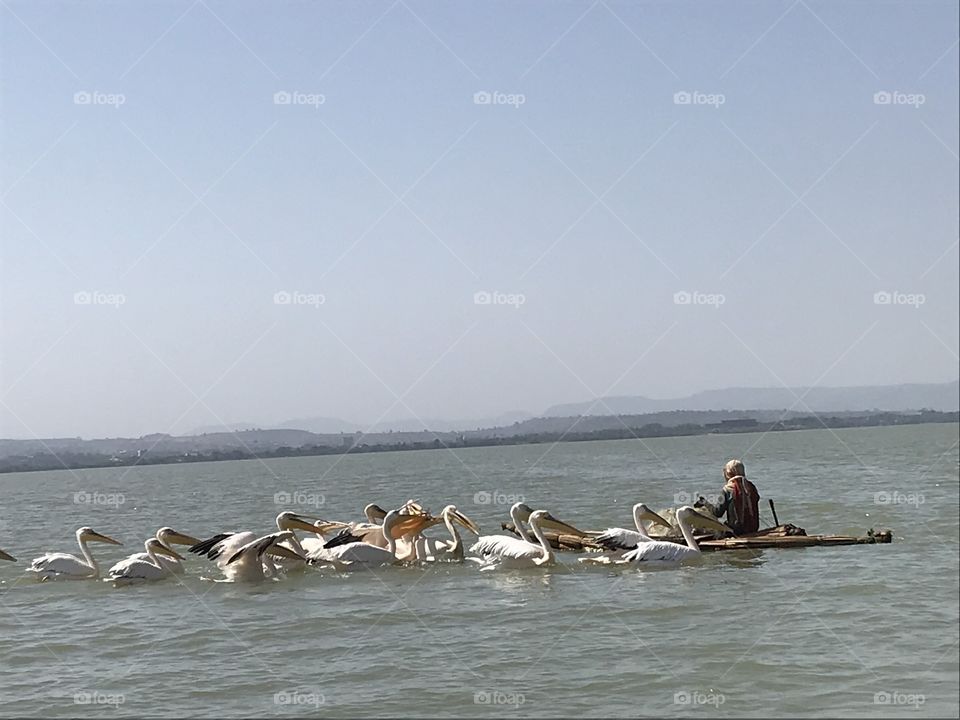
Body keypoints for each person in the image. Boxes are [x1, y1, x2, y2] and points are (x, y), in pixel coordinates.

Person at [696, 459, 760, 535]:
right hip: (753, 528)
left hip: (735, 531)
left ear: (728, 474)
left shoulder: (728, 489)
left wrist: (704, 502)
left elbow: (717, 513)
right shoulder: (751, 487)